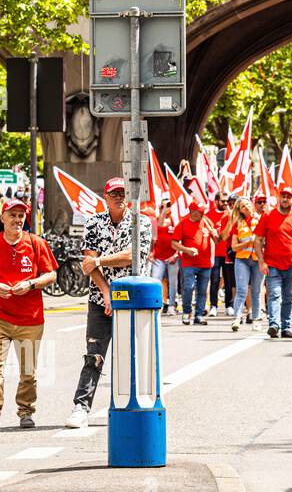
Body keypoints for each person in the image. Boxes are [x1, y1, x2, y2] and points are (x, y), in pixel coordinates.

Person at [65, 178, 153, 430]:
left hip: (133, 299)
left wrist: (101, 261)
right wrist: (106, 292)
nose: (119, 197)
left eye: (123, 193)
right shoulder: (94, 223)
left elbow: (132, 256)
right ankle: (81, 407)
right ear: (105, 196)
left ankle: (134, 402)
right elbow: (86, 263)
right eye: (114, 193)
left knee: (134, 354)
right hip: (99, 299)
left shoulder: (141, 222)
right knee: (94, 354)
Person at [0, 198, 57, 432]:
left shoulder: (36, 243)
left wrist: (30, 284)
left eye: (21, 215)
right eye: (13, 215)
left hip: (30, 318)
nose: (17, 220)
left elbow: (51, 275)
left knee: (28, 370)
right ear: (2, 218)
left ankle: (26, 410)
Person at [255, 186, 292, 339]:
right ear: (279, 197)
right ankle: (274, 324)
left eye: (288, 196)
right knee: (274, 295)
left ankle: (286, 327)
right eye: (283, 195)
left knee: (289, 296)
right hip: (272, 264)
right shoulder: (268, 215)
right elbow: (258, 240)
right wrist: (261, 262)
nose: (285, 199)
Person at [172, 199, 217, 326]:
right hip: (189, 263)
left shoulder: (207, 222)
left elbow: (215, 241)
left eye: (203, 211)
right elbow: (174, 243)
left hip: (205, 263)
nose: (203, 214)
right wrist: (186, 250)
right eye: (200, 211)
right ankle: (187, 312)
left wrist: (212, 255)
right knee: (189, 287)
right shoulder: (182, 224)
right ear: (192, 211)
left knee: (202, 290)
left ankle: (199, 315)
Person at [228, 197, 261, 331]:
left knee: (256, 291)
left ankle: (256, 319)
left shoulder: (261, 219)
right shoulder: (237, 223)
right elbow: (234, 247)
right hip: (242, 259)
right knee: (241, 290)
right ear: (239, 210)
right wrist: (247, 243)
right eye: (243, 206)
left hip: (258, 259)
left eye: (247, 204)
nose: (246, 207)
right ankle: (237, 318)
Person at [149, 199, 179, 314]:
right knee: (156, 280)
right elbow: (153, 238)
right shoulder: (156, 221)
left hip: (172, 257)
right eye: (162, 206)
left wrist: (176, 254)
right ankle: (157, 304)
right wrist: (150, 253)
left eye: (168, 205)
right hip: (159, 258)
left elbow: (180, 239)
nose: (166, 208)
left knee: (173, 282)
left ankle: (171, 305)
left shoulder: (174, 221)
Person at [206, 191, 231, 316]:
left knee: (228, 280)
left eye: (227, 201)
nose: (226, 203)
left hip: (228, 252)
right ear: (216, 202)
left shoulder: (230, 214)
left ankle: (229, 306)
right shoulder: (208, 215)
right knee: (214, 280)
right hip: (214, 253)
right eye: (223, 201)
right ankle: (213, 306)